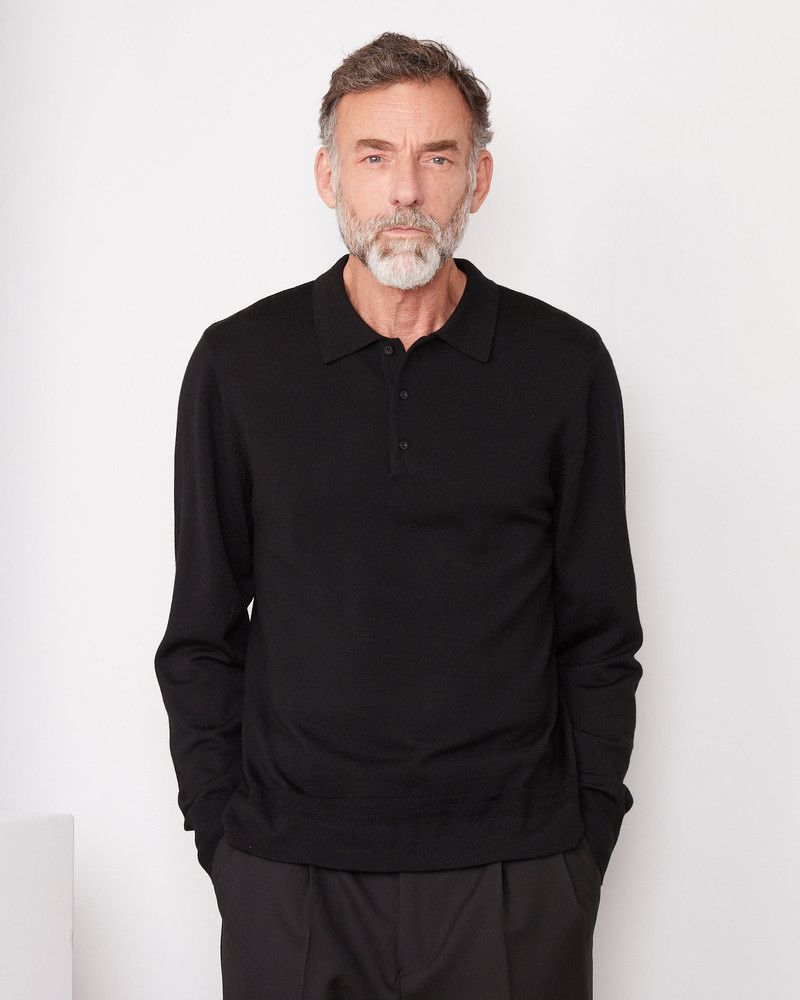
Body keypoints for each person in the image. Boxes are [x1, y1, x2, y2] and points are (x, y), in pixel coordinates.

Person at [156, 31, 642, 1000]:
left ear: (479, 179)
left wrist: (576, 851)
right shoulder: (240, 366)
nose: (406, 191)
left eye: (438, 157)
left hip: (513, 875)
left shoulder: (564, 366)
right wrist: (229, 845)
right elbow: (201, 636)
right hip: (292, 877)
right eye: (375, 157)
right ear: (328, 177)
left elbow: (598, 634)